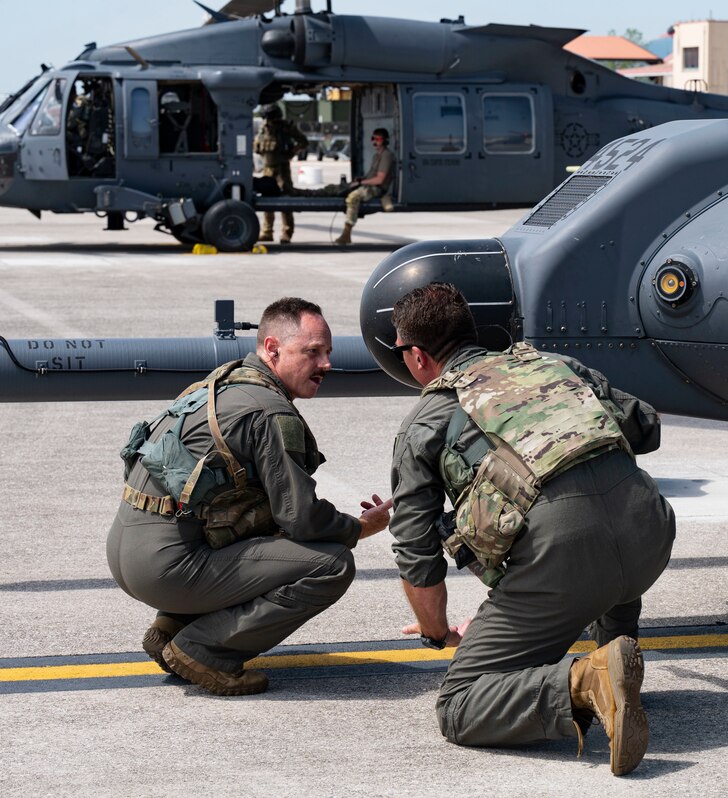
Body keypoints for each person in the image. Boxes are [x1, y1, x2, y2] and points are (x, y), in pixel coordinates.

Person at [387, 282, 675, 776]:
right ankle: (619, 652)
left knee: (459, 705)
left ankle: (590, 682)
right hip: (650, 535)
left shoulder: (424, 423)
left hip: (567, 565)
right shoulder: (555, 367)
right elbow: (645, 426)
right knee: (601, 500)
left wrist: (437, 632)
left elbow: (416, 551)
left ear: (416, 357)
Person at [107, 297, 392, 696]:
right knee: (330, 563)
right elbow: (302, 518)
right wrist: (360, 527)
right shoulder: (268, 411)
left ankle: (173, 627)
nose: (327, 364)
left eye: (328, 352)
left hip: (130, 555)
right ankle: (204, 649)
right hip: (167, 570)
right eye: (313, 353)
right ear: (272, 349)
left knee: (263, 523)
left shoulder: (225, 381)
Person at [254, 104, 308, 243]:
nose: (269, 121)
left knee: (286, 199)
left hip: (282, 168)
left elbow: (303, 141)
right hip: (268, 168)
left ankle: (287, 232)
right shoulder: (264, 128)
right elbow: (258, 145)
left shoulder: (286, 127)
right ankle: (267, 232)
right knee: (267, 198)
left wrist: (292, 152)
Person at [334, 127, 395, 246]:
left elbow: (379, 179)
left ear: (384, 140)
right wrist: (361, 180)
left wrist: (361, 183)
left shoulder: (386, 155)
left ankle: (347, 233)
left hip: (377, 189)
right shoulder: (377, 155)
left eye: (377, 139)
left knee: (353, 197)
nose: (374, 141)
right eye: (372, 138)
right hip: (370, 186)